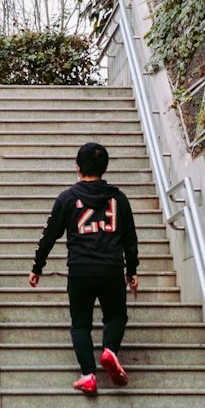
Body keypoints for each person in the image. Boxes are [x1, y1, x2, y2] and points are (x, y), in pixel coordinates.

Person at [28, 141, 139, 394]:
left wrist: (38, 266)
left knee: (80, 324)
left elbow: (49, 235)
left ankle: (88, 375)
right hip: (111, 268)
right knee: (116, 315)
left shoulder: (67, 198)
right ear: (105, 168)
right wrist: (131, 271)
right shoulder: (119, 199)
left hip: (80, 269)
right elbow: (130, 239)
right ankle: (109, 350)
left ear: (77, 167)